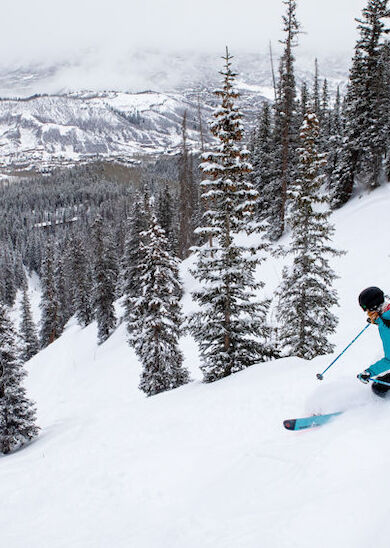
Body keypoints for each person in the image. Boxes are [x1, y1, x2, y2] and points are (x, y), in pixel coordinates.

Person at [357, 286, 390, 397]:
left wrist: (369, 372)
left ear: (374, 307)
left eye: (367, 310)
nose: (367, 313)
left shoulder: (386, 326)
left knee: (379, 387)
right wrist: (379, 320)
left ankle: (381, 410)